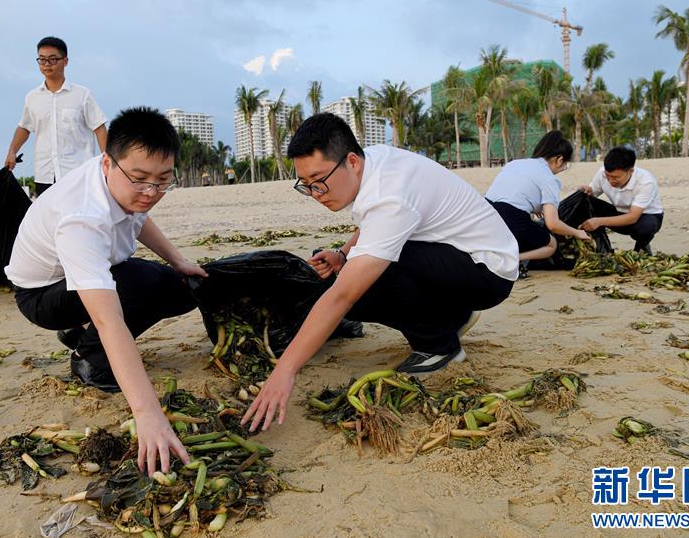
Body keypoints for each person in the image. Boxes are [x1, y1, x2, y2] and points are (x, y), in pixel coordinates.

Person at [242, 113, 518, 432]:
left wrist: (284, 371)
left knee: (360, 288)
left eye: (319, 181)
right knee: (352, 269)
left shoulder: (389, 193)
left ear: (352, 161)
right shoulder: (375, 163)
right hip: (464, 256)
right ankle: (454, 317)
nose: (316, 194)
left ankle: (439, 346)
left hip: (488, 273)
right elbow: (378, 224)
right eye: (306, 186)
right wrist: (342, 254)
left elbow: (344, 294)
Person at [5, 107, 206, 473]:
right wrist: (148, 414)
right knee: (139, 285)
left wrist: (178, 260)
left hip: (77, 278)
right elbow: (110, 318)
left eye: (163, 181)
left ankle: (80, 335)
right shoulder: (82, 216)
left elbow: (141, 218)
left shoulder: (126, 184)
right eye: (141, 179)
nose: (151, 192)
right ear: (108, 162)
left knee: (179, 287)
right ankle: (91, 362)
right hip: (41, 295)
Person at [4, 36, 107, 196]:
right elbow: (24, 127)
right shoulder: (32, 97)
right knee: (48, 220)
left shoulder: (82, 95)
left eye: (52, 59)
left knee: (78, 219)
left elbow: (99, 128)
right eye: (42, 59)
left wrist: (106, 161)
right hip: (44, 174)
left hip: (77, 172)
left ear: (65, 61)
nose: (46, 64)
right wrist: (12, 151)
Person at [485, 131, 591, 278]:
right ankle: (513, 260)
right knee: (551, 245)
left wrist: (535, 208)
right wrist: (576, 232)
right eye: (565, 165)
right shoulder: (549, 178)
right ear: (559, 159)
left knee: (529, 226)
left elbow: (513, 193)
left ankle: (504, 254)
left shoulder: (515, 163)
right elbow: (553, 224)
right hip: (511, 218)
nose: (562, 169)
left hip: (486, 213)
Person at [579, 147, 664, 254]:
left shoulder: (646, 181)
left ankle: (642, 245)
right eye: (608, 176)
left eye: (615, 178)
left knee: (645, 228)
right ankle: (599, 248)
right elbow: (592, 194)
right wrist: (587, 190)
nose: (610, 181)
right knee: (584, 201)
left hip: (644, 217)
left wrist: (599, 221)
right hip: (618, 212)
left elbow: (632, 217)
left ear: (631, 171)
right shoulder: (603, 172)